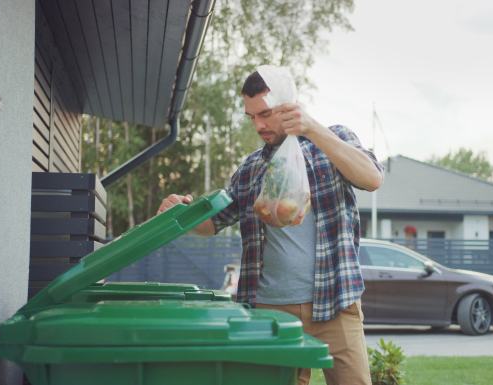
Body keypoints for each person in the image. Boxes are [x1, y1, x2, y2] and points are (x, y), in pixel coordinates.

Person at [157, 67, 384, 385]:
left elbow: (372, 178)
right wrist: (183, 214)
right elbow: (215, 223)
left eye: (265, 113)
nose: (258, 125)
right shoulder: (250, 169)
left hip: (335, 302)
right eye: (251, 117)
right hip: (269, 311)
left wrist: (313, 129)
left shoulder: (334, 140)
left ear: (289, 104)